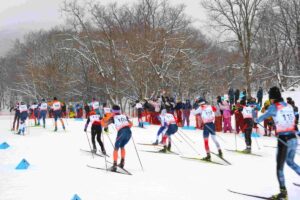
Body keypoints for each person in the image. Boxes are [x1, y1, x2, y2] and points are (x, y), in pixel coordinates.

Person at [255, 87, 300, 199]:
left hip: (284, 140)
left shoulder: (273, 107)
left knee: (279, 168)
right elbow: (293, 121)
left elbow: (262, 117)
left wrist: (255, 120)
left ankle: (283, 193)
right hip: (293, 138)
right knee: (290, 162)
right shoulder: (288, 106)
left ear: (272, 98)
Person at [102, 105, 132, 172]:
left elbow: (105, 125)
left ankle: (114, 165)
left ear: (113, 111)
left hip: (121, 132)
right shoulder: (124, 116)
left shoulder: (113, 117)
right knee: (122, 146)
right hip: (129, 132)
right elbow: (131, 124)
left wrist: (104, 119)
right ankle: (122, 162)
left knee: (116, 148)